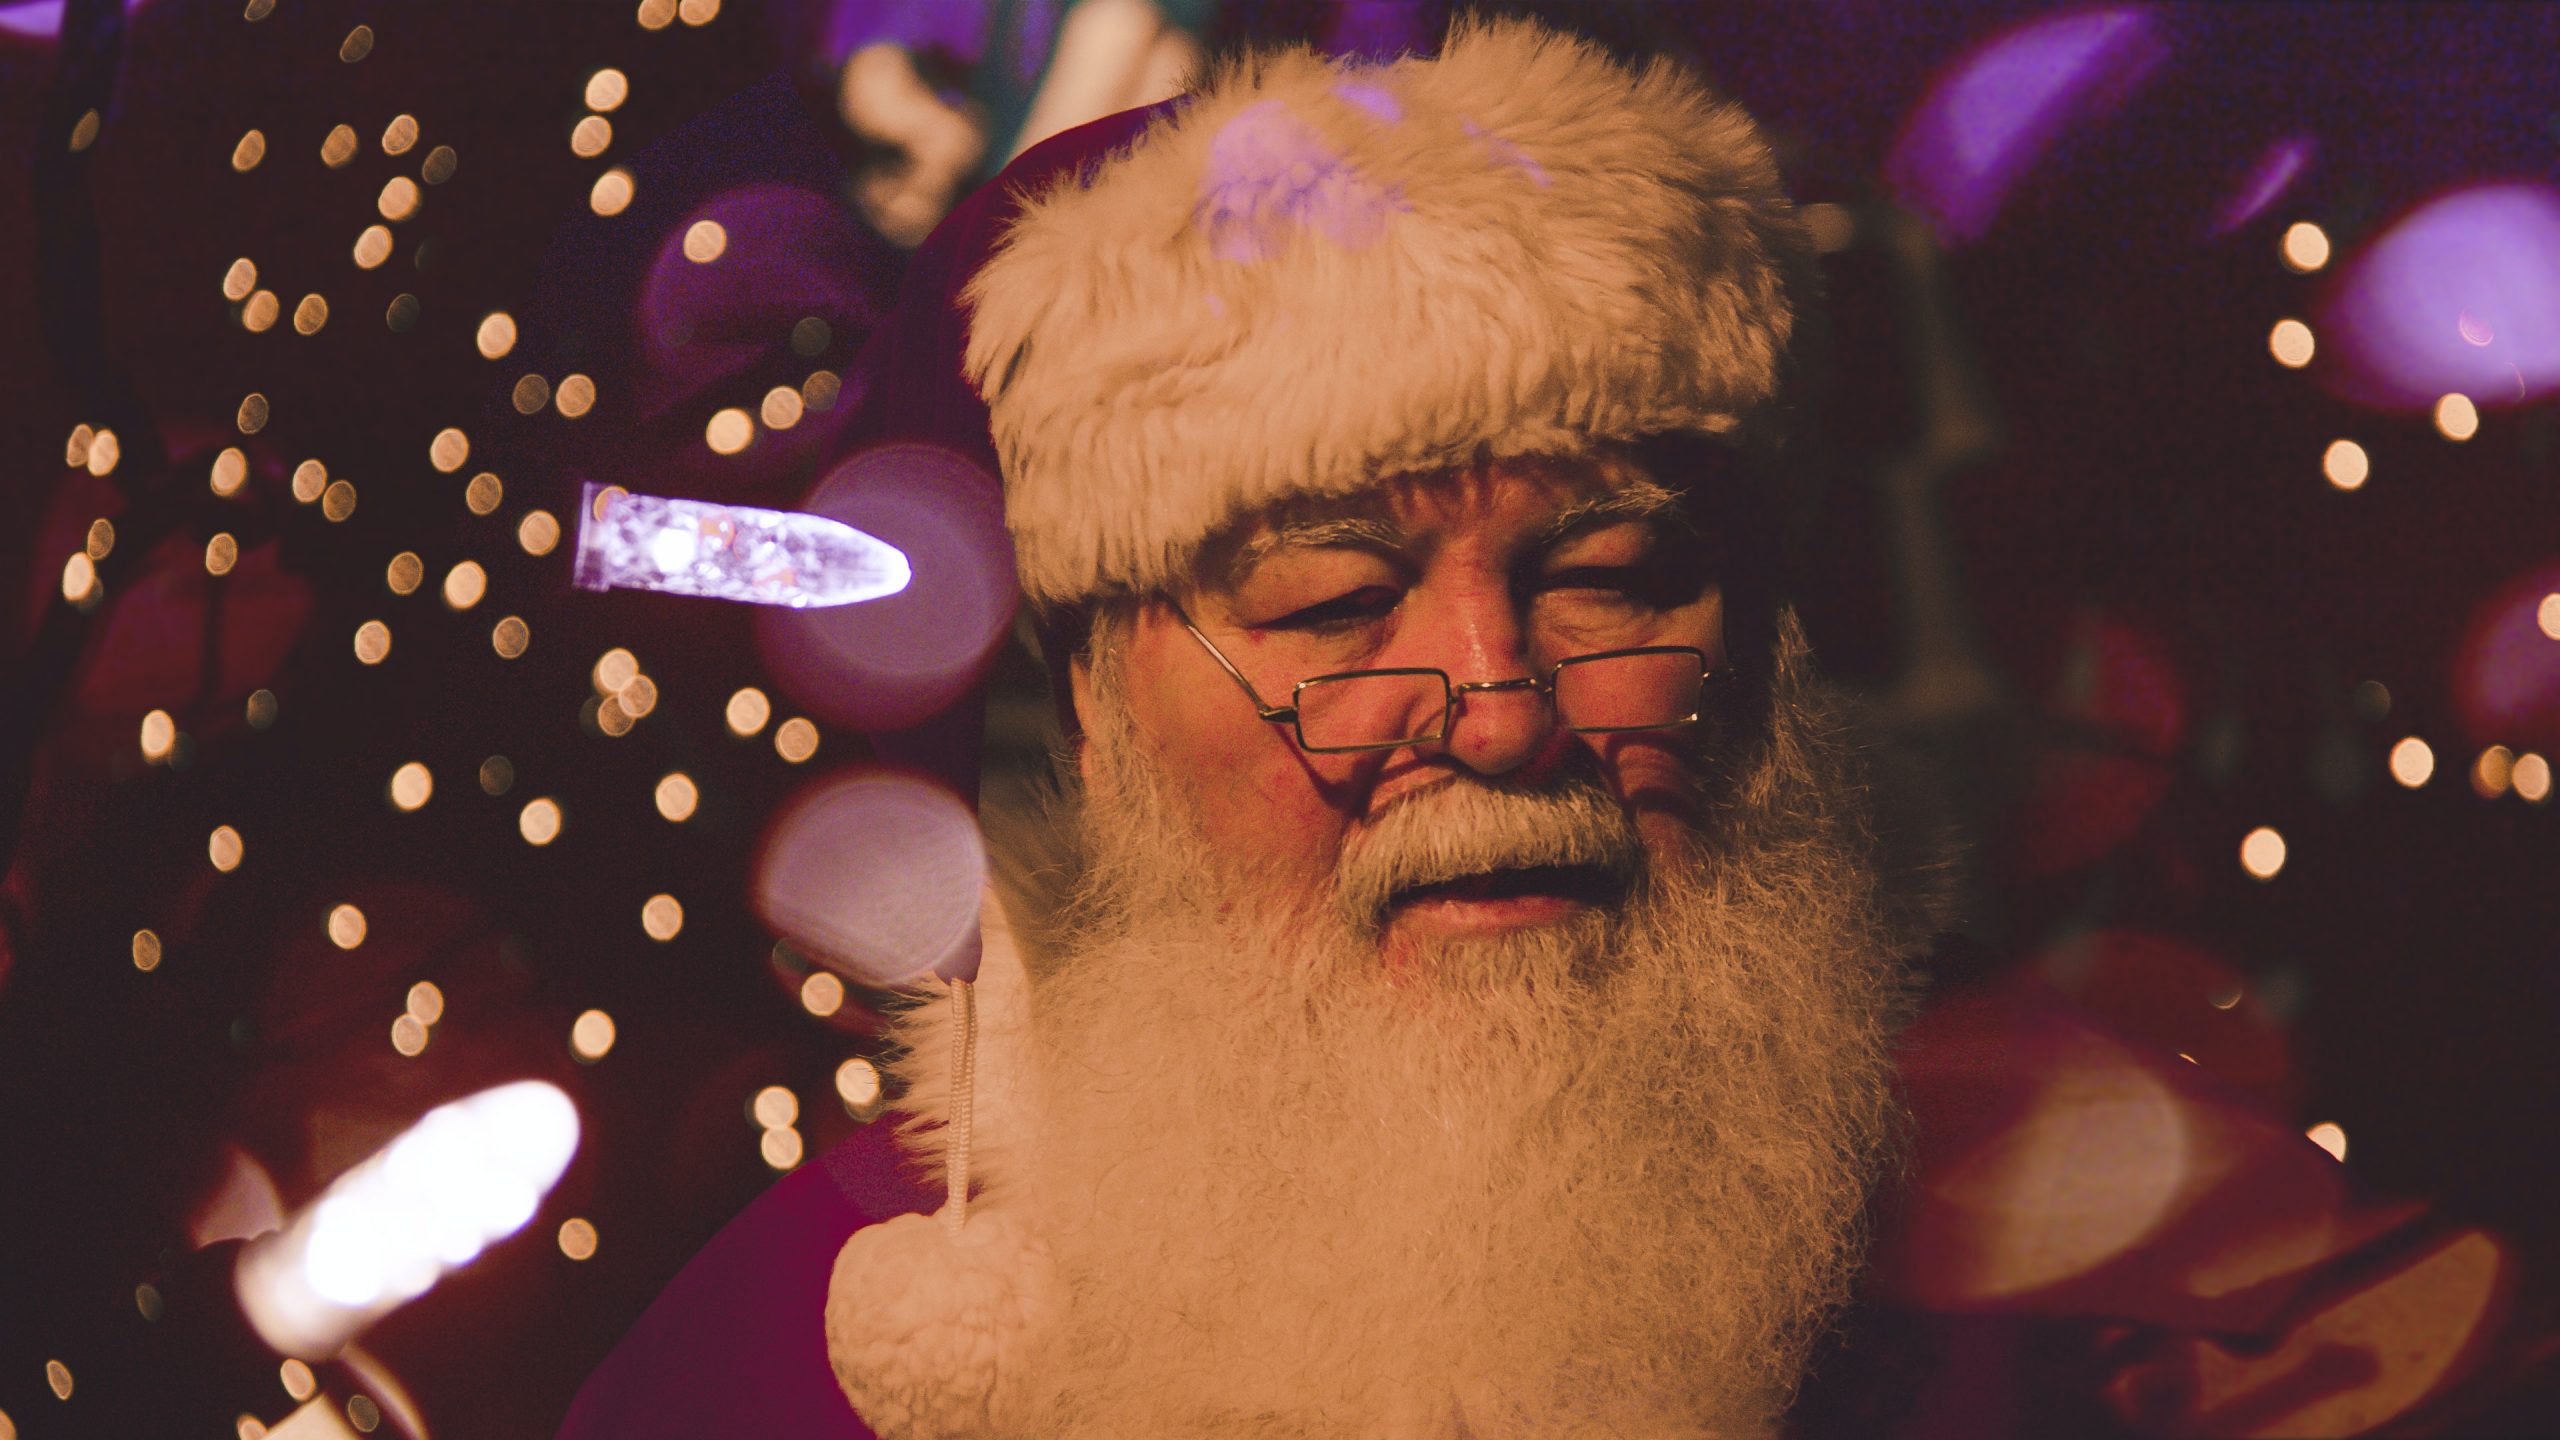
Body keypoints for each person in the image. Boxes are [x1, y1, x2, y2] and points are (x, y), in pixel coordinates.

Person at [562, 16, 2526, 1440]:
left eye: (1606, 577)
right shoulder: (771, 1386)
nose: (1498, 713)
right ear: (1074, 714)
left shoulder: (2130, 1316)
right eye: (1330, 605)